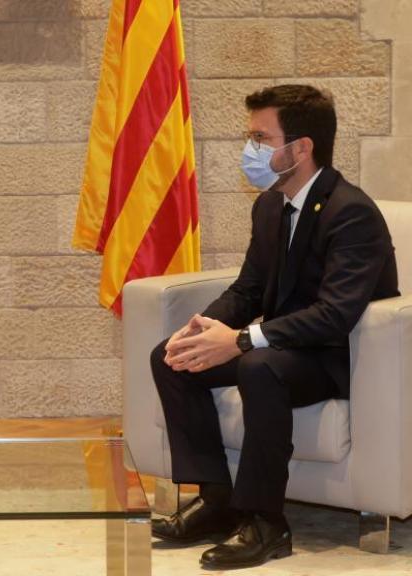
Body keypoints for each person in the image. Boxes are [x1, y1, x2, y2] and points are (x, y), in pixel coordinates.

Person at [149, 84, 399, 570]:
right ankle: (218, 501)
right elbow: (249, 289)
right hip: (283, 348)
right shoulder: (269, 206)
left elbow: (335, 314)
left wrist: (242, 341)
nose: (251, 149)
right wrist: (204, 328)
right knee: (172, 357)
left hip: (339, 356)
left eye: (261, 138)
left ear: (301, 148)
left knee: (259, 367)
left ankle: (266, 523)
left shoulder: (351, 213)